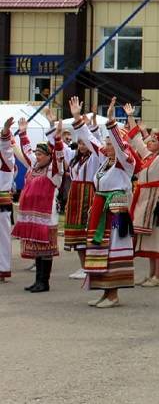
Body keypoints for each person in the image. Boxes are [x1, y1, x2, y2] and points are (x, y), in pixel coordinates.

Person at [73, 97, 136, 308]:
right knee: (100, 248)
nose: (106, 146)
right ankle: (104, 291)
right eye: (107, 143)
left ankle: (113, 294)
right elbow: (91, 140)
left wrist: (111, 123)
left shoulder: (126, 162)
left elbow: (119, 147)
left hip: (116, 210)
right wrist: (77, 118)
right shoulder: (104, 162)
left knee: (113, 247)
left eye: (110, 143)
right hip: (101, 206)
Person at [11, 117, 64, 293]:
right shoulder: (34, 166)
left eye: (41, 154)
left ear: (49, 156)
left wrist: (57, 139)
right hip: (34, 215)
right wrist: (23, 132)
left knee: (46, 248)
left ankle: (44, 282)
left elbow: (58, 157)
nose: (37, 156)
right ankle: (38, 281)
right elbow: (26, 151)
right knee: (37, 247)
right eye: (37, 154)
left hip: (47, 215)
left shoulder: (53, 171)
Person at [125, 104, 159, 288]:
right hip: (146, 199)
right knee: (149, 237)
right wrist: (131, 118)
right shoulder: (146, 158)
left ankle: (158, 276)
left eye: (153, 140)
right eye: (150, 141)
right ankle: (151, 274)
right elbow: (136, 140)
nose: (149, 143)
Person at [59, 102, 101, 280]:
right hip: (75, 195)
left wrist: (90, 124)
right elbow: (60, 147)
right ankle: (82, 266)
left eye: (85, 144)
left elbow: (95, 142)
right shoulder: (75, 159)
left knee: (86, 231)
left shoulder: (95, 160)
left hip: (88, 194)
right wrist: (55, 126)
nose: (82, 146)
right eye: (80, 143)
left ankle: (89, 266)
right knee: (75, 232)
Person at [0, 117, 15, 284]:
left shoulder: (6, 160)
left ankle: (2, 268)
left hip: (1, 202)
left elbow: (5, 147)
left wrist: (5, 130)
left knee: (2, 236)